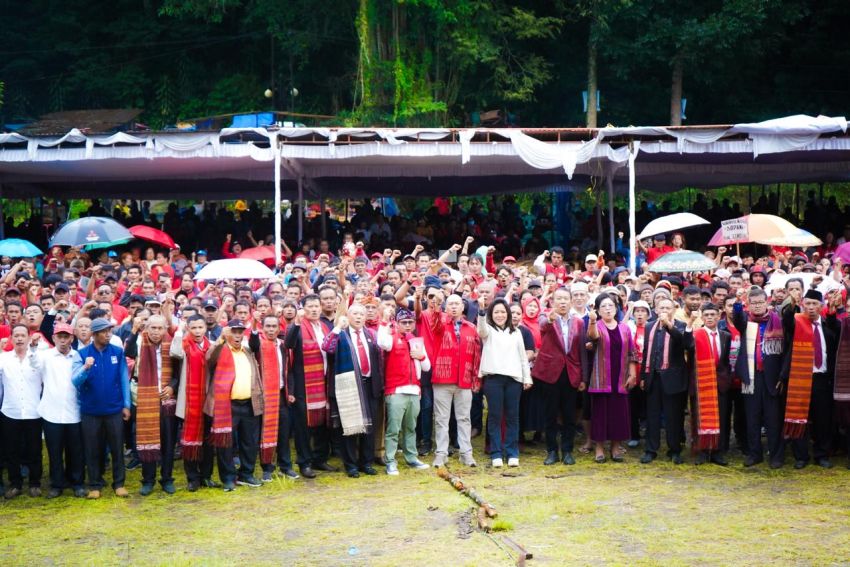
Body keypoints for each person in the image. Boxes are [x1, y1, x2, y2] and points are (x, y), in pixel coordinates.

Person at [322, 303, 384, 477]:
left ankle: (366, 463)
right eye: (354, 314)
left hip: (369, 384)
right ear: (348, 316)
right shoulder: (341, 334)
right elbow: (327, 347)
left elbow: (379, 361)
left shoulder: (371, 334)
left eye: (361, 314)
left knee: (369, 427)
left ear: (366, 317)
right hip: (348, 385)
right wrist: (336, 328)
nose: (358, 317)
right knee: (350, 427)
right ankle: (351, 465)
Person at [73, 318, 131, 499]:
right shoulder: (82, 354)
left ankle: (119, 483)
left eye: (110, 331)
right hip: (90, 411)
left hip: (114, 409)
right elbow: (75, 381)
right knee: (92, 449)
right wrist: (86, 368)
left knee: (116, 449)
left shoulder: (117, 352)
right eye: (104, 332)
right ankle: (95, 484)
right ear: (95, 334)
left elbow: (123, 379)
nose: (108, 334)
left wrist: (126, 405)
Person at [205, 319, 265, 491]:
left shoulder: (247, 350)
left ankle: (247, 474)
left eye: (240, 332)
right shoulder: (221, 349)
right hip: (227, 405)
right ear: (227, 333)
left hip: (249, 404)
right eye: (234, 332)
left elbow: (256, 343)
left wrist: (253, 328)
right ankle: (228, 478)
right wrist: (221, 339)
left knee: (250, 442)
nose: (237, 335)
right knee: (226, 444)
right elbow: (209, 358)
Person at [781, 289, 838, 469]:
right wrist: (792, 305)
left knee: (823, 419)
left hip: (822, 379)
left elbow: (838, 332)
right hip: (800, 377)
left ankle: (821, 454)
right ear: (803, 305)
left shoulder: (828, 325)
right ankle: (801, 456)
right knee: (800, 418)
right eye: (808, 304)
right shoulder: (797, 322)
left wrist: (835, 309)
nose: (811, 308)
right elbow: (787, 321)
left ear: (821, 306)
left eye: (815, 304)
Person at [732, 287, 787, 469]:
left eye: (760, 302)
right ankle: (755, 454)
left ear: (767, 302)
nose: (757, 306)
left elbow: (785, 351)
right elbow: (737, 318)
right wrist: (738, 304)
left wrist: (782, 376)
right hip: (751, 376)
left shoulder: (777, 321)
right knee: (752, 418)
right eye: (753, 303)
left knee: (773, 419)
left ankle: (776, 456)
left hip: (772, 377)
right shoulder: (746, 322)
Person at [532, 288, 588, 466]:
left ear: (571, 302)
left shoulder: (578, 323)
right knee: (550, 415)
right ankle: (551, 451)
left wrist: (583, 378)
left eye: (566, 299)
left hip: (571, 373)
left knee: (569, 415)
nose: (563, 302)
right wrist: (550, 318)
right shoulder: (546, 317)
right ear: (553, 301)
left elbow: (581, 352)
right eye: (559, 299)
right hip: (550, 374)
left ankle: (568, 451)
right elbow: (543, 326)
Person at [124, 315, 178, 495]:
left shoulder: (172, 345)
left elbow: (178, 372)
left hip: (167, 400)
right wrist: (134, 330)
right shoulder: (140, 343)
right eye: (152, 328)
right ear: (146, 329)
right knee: (147, 439)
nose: (156, 332)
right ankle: (148, 480)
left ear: (165, 329)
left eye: (160, 328)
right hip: (146, 399)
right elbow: (128, 353)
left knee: (168, 442)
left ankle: (167, 478)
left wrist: (171, 387)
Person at [31, 322, 86, 498]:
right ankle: (56, 484)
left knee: (75, 451)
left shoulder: (77, 356)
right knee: (54, 451)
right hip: (51, 412)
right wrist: (33, 346)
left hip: (73, 412)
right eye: (59, 336)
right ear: (54, 338)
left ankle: (76, 483)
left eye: (66, 336)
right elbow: (34, 364)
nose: (63, 340)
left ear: (72, 338)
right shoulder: (45, 356)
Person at [376, 308, 431, 475]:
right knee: (393, 429)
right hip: (396, 390)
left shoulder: (417, 341)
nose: (407, 325)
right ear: (397, 324)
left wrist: (420, 356)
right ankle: (390, 461)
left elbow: (427, 367)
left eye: (410, 322)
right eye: (404, 322)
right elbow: (382, 343)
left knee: (411, 427)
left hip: (414, 390)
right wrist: (385, 322)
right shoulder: (392, 338)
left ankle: (411, 457)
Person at [477, 297, 531, 468]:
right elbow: (481, 330)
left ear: (507, 314)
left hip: (513, 379)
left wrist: (526, 377)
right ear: (491, 315)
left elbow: (523, 357)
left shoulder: (516, 332)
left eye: (502, 311)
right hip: (493, 379)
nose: (500, 315)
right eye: (496, 312)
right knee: (494, 416)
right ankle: (496, 453)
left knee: (512, 417)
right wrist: (481, 311)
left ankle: (512, 452)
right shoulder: (489, 331)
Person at [284, 294, 334, 478]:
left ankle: (319, 459)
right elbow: (288, 343)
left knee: (322, 423)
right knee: (303, 426)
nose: (314, 309)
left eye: (316, 306)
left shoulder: (323, 326)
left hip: (323, 381)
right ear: (303, 309)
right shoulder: (297, 327)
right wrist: (296, 323)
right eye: (310, 306)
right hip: (303, 383)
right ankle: (304, 462)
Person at [639, 297, 693, 465]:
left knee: (674, 416)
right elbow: (646, 351)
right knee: (652, 415)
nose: (664, 310)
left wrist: (668, 325)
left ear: (673, 310)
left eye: (668, 307)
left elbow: (684, 343)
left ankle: (675, 449)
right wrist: (643, 376)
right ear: (655, 310)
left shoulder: (680, 326)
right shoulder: (649, 326)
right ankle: (651, 449)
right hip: (653, 376)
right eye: (661, 307)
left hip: (673, 378)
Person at [430, 294, 481, 468]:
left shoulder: (471, 327)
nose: (453, 307)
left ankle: (466, 453)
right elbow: (434, 322)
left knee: (464, 418)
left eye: (456, 304)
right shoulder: (440, 324)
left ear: (462, 307)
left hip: (464, 379)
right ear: (445, 307)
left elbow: (476, 355)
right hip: (442, 378)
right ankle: (441, 453)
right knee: (441, 419)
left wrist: (475, 378)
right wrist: (436, 306)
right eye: (450, 304)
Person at [586, 294, 638, 463]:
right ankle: (599, 448)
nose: (607, 309)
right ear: (598, 310)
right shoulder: (597, 325)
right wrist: (592, 320)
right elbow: (592, 337)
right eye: (603, 306)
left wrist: (633, 372)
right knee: (600, 413)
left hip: (620, 376)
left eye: (610, 306)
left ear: (616, 309)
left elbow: (632, 352)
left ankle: (616, 447)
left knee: (618, 413)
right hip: (602, 377)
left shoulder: (624, 328)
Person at [249, 315, 299, 481]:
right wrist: (254, 326)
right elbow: (252, 343)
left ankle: (285, 466)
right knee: (266, 433)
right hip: (265, 397)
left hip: (282, 395)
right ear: (263, 328)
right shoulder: (259, 346)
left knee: (284, 434)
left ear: (279, 329)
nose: (271, 330)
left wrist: (290, 392)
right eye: (268, 326)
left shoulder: (283, 346)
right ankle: (267, 468)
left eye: (274, 327)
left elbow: (289, 371)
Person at [171, 314, 217, 491]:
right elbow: (174, 353)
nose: (197, 331)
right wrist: (179, 332)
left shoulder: (211, 346)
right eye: (194, 328)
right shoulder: (184, 345)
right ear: (188, 329)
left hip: (207, 400)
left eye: (200, 327)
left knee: (207, 441)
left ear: (206, 328)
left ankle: (206, 476)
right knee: (190, 438)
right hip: (189, 401)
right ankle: (192, 477)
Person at [0, 326, 44, 499]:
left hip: (34, 411)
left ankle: (35, 483)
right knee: (11, 450)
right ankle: (15, 483)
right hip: (10, 411)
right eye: (16, 335)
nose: (19, 339)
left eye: (22, 335)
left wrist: (33, 349)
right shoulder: (3, 358)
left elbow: (39, 370)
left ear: (28, 338)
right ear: (11, 338)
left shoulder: (37, 358)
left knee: (34, 450)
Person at [690, 303, 732, 466]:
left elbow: (726, 360)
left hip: (720, 382)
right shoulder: (696, 335)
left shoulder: (725, 336)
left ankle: (716, 452)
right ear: (702, 316)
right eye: (706, 315)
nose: (709, 318)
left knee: (720, 418)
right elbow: (686, 344)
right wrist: (689, 325)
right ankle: (702, 451)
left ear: (718, 316)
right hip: (701, 382)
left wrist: (726, 379)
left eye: (712, 315)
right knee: (700, 417)